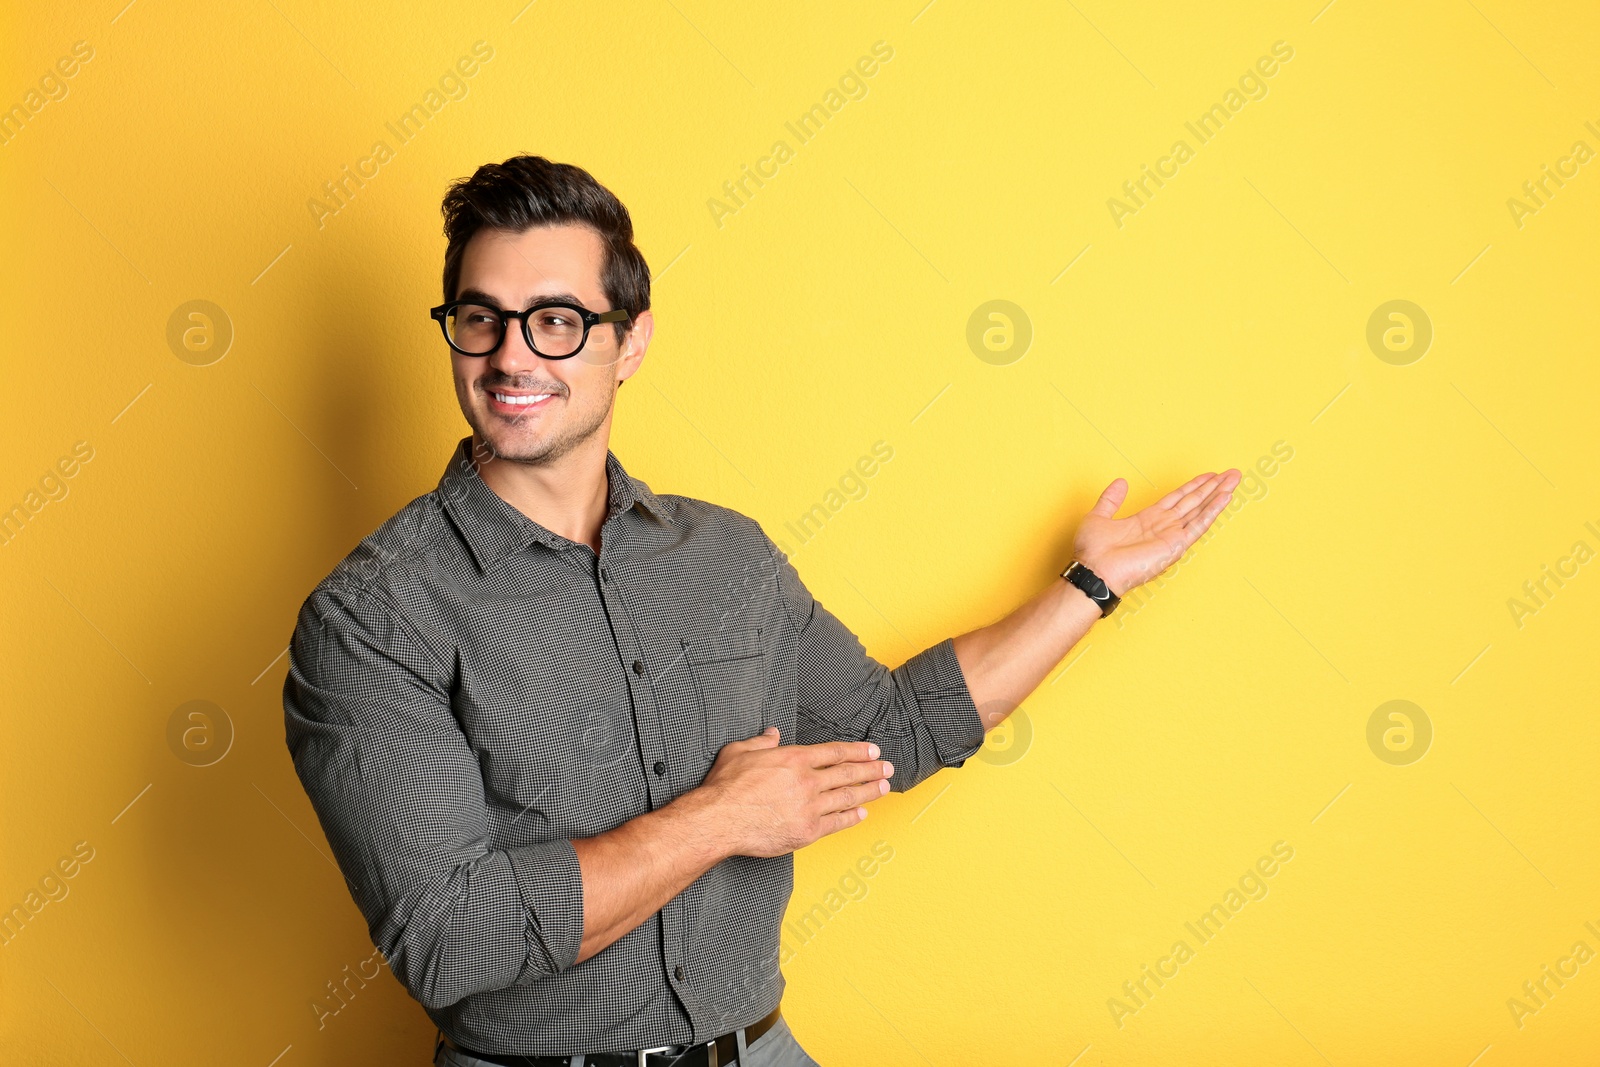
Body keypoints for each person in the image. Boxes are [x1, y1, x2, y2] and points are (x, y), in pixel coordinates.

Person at [281, 154, 1240, 1066]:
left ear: (633, 340)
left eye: (558, 320)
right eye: (482, 318)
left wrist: (1092, 586)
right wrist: (719, 817)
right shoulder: (373, 619)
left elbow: (893, 729)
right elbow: (455, 939)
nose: (511, 356)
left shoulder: (728, 557)